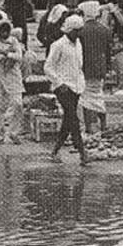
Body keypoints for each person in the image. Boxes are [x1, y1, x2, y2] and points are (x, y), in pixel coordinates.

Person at [45, 15, 88, 165]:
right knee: (73, 117)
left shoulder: (78, 44)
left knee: (68, 120)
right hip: (63, 87)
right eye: (76, 31)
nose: (78, 34)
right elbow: (48, 67)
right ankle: (82, 152)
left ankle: (55, 150)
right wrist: (58, 82)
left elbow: (79, 65)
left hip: (76, 85)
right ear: (69, 30)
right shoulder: (58, 45)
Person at [77, 0, 114, 134]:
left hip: (85, 68)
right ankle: (103, 124)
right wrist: (108, 67)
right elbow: (109, 51)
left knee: (86, 98)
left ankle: (88, 126)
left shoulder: (81, 31)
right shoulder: (105, 30)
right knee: (98, 95)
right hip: (100, 68)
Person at [0, 20, 25, 144]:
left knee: (18, 104)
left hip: (13, 76)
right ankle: (0, 134)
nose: (4, 33)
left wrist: (6, 54)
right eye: (2, 31)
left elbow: (19, 56)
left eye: (6, 31)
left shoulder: (14, 41)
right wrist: (7, 55)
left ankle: (14, 132)